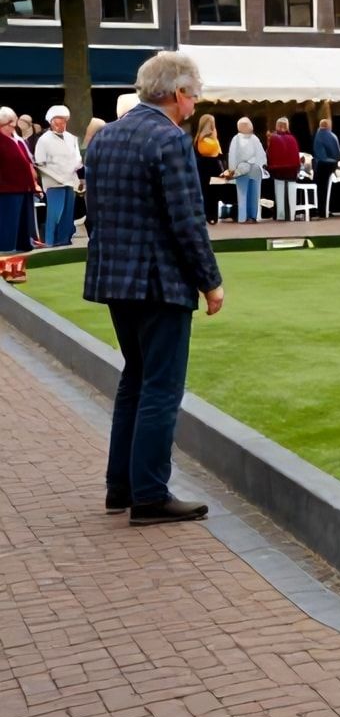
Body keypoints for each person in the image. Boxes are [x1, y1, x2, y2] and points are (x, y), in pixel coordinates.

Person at [84, 51, 223, 526]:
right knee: (161, 387)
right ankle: (148, 494)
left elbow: (96, 214)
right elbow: (187, 221)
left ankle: (120, 487)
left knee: (135, 379)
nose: (195, 103)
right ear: (179, 93)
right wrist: (210, 281)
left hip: (114, 277)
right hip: (159, 280)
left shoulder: (105, 136)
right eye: (194, 95)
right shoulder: (170, 139)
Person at [34, 105, 82, 247]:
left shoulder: (71, 138)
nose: (61, 126)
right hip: (54, 183)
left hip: (70, 180)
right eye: (57, 123)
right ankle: (50, 241)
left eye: (63, 123)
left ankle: (65, 240)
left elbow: (77, 157)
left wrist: (75, 167)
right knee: (55, 214)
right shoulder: (44, 140)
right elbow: (40, 163)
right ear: (51, 123)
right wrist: (57, 176)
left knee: (68, 213)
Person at [0, 109, 38, 253]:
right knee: (8, 221)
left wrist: (33, 182)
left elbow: (27, 162)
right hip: (7, 189)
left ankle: (23, 245)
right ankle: (6, 250)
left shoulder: (17, 140)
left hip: (24, 187)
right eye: (10, 125)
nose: (13, 128)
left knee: (24, 221)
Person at [226, 117, 266, 224]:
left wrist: (232, 170)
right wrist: (261, 165)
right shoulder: (254, 139)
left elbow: (232, 156)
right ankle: (252, 216)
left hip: (242, 169)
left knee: (243, 193)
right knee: (254, 193)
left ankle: (244, 217)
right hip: (253, 168)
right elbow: (261, 155)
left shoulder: (236, 139)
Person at [192, 114, 227, 224]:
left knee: (211, 192)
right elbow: (212, 152)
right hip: (209, 168)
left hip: (207, 168)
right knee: (210, 193)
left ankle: (211, 215)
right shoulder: (204, 140)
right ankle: (210, 215)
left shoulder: (200, 139)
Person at [266, 117, 302, 221]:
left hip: (278, 171)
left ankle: (280, 215)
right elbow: (296, 157)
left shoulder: (273, 138)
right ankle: (291, 215)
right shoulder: (292, 139)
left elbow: (270, 154)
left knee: (279, 193)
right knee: (291, 193)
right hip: (291, 171)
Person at [311, 118, 340, 219]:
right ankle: (325, 211)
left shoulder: (317, 135)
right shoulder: (332, 136)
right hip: (329, 165)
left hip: (319, 164)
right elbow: (337, 153)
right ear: (328, 126)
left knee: (320, 188)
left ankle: (320, 211)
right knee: (326, 188)